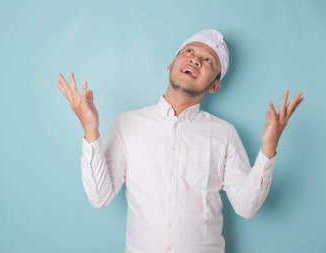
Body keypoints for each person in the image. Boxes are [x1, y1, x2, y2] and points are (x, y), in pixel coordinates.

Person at [55, 29, 304, 253]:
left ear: (215, 85)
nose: (195, 60)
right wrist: (90, 129)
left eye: (208, 60)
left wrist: (269, 148)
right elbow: (100, 197)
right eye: (189, 52)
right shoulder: (127, 124)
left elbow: (246, 207)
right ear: (171, 64)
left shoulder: (224, 133)